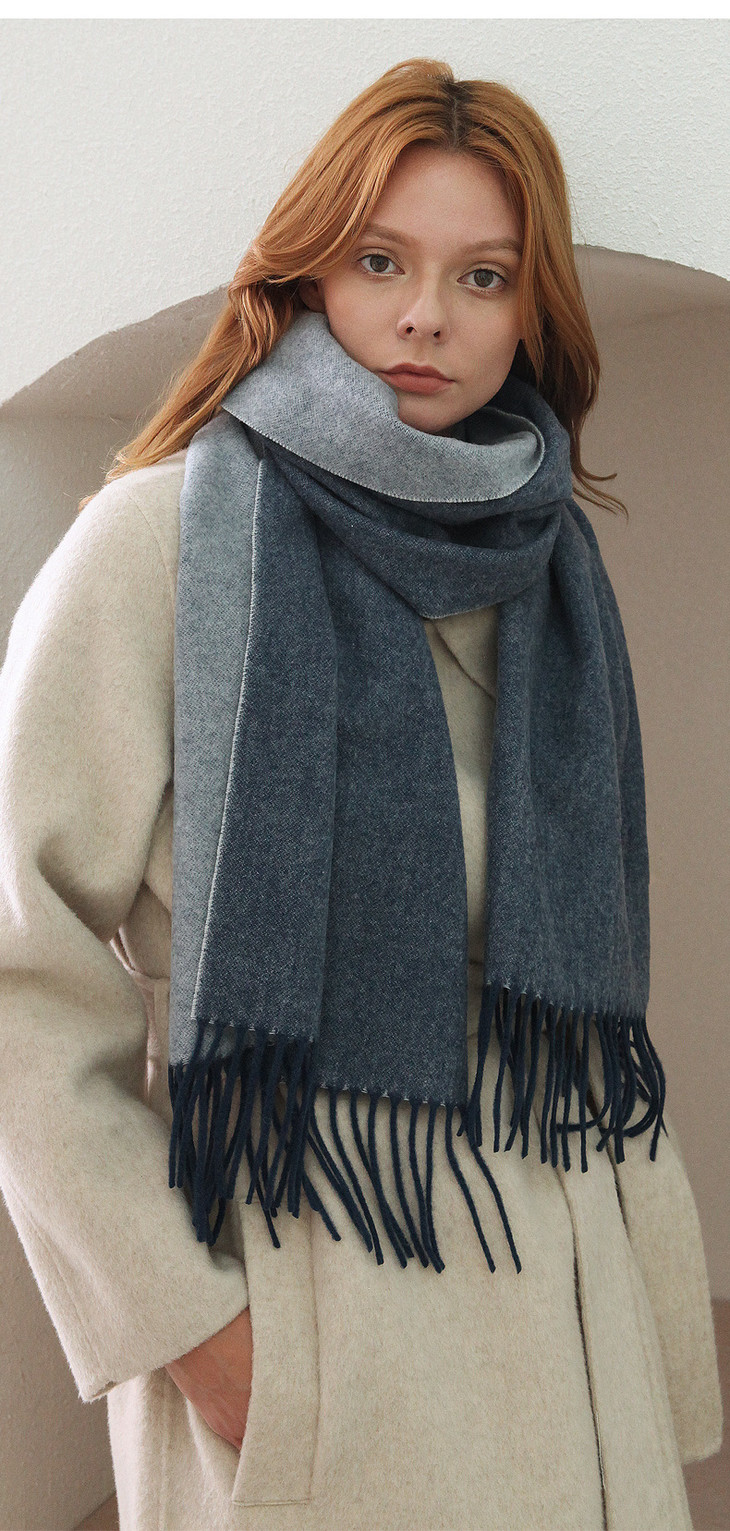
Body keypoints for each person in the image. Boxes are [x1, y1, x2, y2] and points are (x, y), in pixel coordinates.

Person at [0, 56, 721, 1531]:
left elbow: (580, 991)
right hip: (312, 1282)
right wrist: (190, 1327)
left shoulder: (549, 563)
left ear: (529, 312)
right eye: (380, 260)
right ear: (305, 270)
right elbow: (21, 970)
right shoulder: (162, 540)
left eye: (482, 275)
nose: (425, 315)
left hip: (563, 1261)